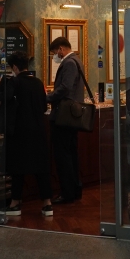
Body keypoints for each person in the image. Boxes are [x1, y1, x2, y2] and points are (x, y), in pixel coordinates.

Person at [0, 53, 53, 217]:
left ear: (14, 67)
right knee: (41, 168)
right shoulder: (38, 82)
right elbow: (43, 106)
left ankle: (15, 203)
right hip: (38, 129)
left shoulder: (14, 82)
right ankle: (47, 203)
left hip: (19, 130)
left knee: (17, 167)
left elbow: (1, 100)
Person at [47, 36, 85, 204]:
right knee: (72, 154)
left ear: (61, 49)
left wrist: (47, 97)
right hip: (72, 116)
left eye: (55, 52)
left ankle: (67, 192)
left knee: (63, 156)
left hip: (64, 116)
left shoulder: (69, 63)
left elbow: (65, 87)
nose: (55, 56)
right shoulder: (77, 60)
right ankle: (74, 190)